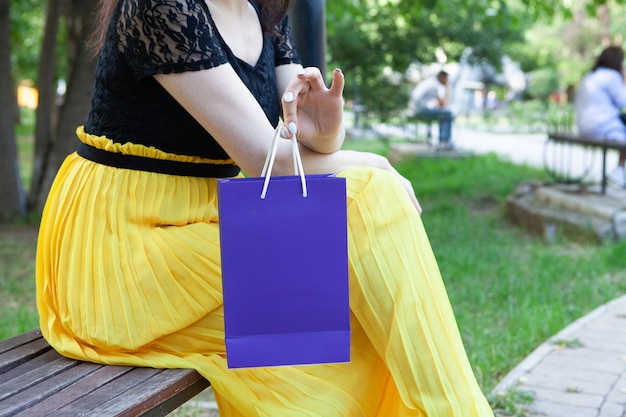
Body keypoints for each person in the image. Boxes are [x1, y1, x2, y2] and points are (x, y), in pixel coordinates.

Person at [35, 0, 494, 415]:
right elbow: (261, 158)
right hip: (121, 247)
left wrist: (326, 130)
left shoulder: (266, 11)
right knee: (367, 201)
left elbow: (296, 146)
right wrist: (373, 162)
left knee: (356, 328)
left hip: (209, 222)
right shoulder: (162, 6)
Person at [575, 45, 626, 187]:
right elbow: (623, 101)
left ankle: (620, 171)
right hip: (604, 128)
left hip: (584, 128)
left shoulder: (590, 76)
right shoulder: (612, 76)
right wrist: (624, 80)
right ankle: (620, 170)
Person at [408, 70, 455, 148]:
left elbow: (437, 105)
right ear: (441, 77)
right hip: (419, 110)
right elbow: (443, 104)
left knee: (444, 114)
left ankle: (443, 140)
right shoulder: (434, 86)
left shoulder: (430, 83)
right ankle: (444, 141)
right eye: (446, 79)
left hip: (416, 109)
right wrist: (448, 90)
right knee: (448, 114)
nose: (447, 81)